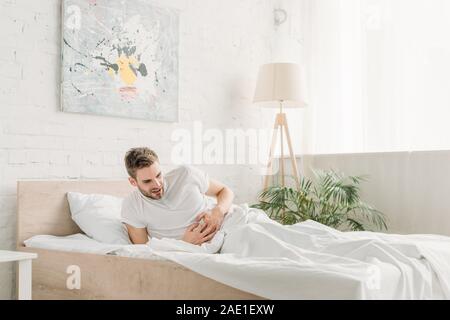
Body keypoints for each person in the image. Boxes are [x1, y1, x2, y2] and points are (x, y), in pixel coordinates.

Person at [121, 147, 234, 245]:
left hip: (226, 227)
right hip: (195, 250)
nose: (158, 184)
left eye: (159, 175)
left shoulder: (186, 174)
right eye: (147, 181)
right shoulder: (132, 206)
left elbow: (225, 190)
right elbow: (144, 253)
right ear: (133, 182)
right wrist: (184, 245)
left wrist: (218, 211)